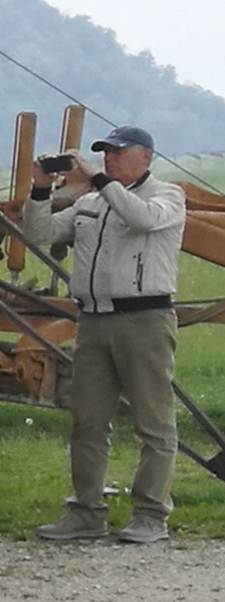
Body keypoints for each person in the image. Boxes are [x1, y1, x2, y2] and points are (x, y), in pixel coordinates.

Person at [21, 126, 190, 545]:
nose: (109, 159)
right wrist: (40, 191)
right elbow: (40, 235)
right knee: (88, 421)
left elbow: (141, 218)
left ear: (145, 157)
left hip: (144, 319)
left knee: (153, 422)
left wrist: (99, 179)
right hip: (92, 322)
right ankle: (86, 512)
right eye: (105, 153)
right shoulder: (92, 202)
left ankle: (151, 514)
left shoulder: (166, 196)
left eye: (117, 152)